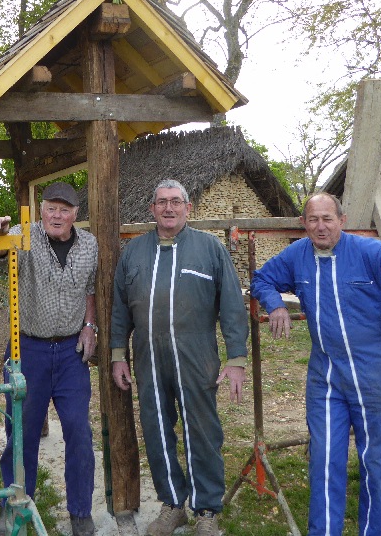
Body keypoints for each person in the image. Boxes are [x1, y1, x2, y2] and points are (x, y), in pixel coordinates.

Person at [250, 193, 381, 536]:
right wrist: (275, 304)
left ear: (342, 220)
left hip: (375, 375)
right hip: (326, 376)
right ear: (303, 224)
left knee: (378, 464)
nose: (321, 226)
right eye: (313, 220)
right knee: (324, 460)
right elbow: (262, 278)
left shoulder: (372, 253)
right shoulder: (298, 255)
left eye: (328, 219)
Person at [111, 179, 248, 536]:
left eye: (175, 202)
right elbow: (119, 310)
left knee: (201, 431)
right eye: (161, 202)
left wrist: (236, 359)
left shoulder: (209, 248)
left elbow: (233, 306)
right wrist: (117, 354)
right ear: (152, 209)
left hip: (196, 351)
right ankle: (173, 504)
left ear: (188, 207)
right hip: (148, 354)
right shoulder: (134, 252)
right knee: (156, 428)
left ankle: (206, 510)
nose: (168, 208)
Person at [0, 181, 98, 536]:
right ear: (41, 210)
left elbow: (90, 289)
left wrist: (89, 325)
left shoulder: (89, 244)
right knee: (21, 431)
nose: (57, 215)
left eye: (65, 209)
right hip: (27, 349)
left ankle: (80, 511)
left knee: (79, 430)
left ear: (76, 214)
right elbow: (0, 249)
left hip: (70, 353)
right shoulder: (25, 233)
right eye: (51, 208)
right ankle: (15, 506)